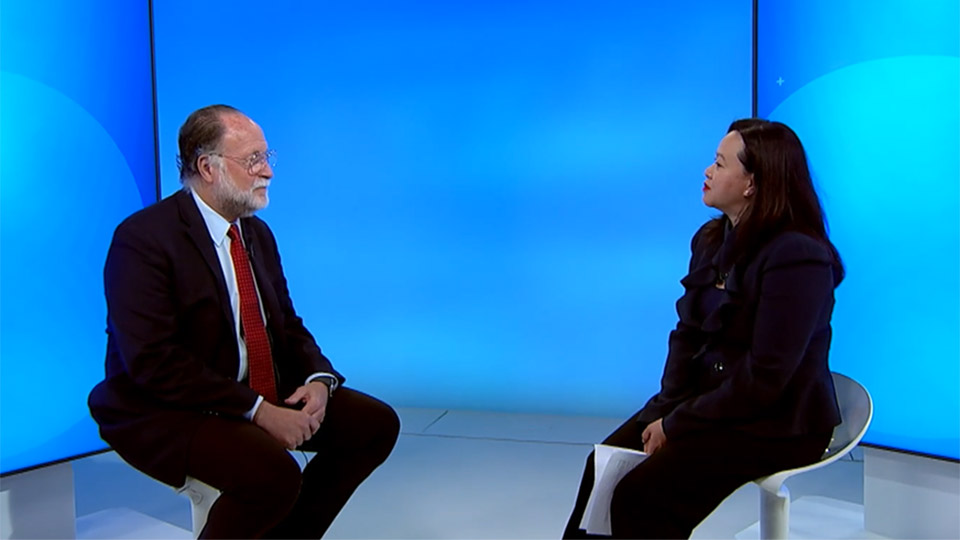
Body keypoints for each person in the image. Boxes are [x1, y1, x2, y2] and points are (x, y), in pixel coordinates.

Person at [89, 104, 400, 539]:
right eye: (252, 159)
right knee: (271, 474)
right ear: (207, 167)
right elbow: (154, 363)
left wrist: (318, 381)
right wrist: (258, 412)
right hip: (165, 408)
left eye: (266, 158)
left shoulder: (256, 234)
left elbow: (287, 325)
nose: (267, 172)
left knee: (375, 426)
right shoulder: (143, 240)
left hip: (245, 394)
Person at [562, 119, 845, 539]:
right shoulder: (712, 240)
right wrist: (663, 408)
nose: (707, 172)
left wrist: (677, 425)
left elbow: (766, 379)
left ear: (752, 182)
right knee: (603, 466)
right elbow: (687, 336)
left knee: (644, 495)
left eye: (719, 163)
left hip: (776, 420)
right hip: (711, 403)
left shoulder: (798, 257)